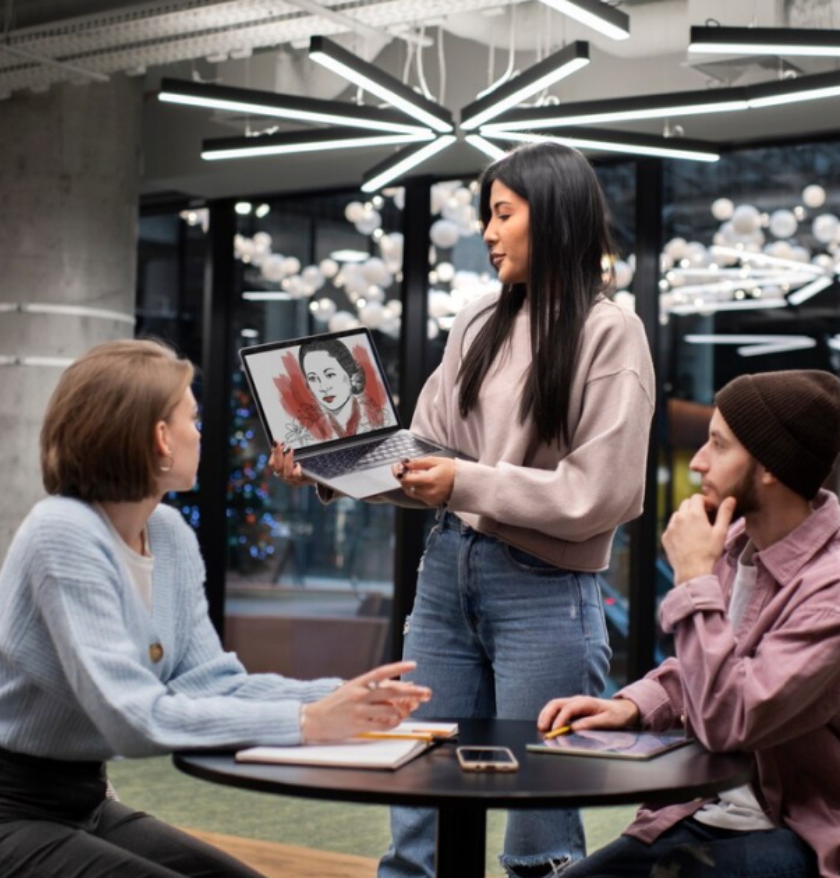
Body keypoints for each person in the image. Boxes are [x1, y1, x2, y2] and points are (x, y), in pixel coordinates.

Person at [272, 141, 656, 877]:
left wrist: (466, 483)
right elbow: (426, 457)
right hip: (446, 574)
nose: (487, 230)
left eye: (503, 214)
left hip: (543, 589)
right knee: (415, 785)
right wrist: (326, 468)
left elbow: (602, 493)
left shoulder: (612, 332)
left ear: (557, 218)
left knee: (537, 821)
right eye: (486, 215)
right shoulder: (477, 321)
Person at [0, 339, 430, 878]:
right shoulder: (62, 532)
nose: (199, 432)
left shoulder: (167, 532)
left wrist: (340, 697)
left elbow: (207, 680)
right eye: (191, 417)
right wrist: (306, 721)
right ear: (159, 438)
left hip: (83, 803)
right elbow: (130, 717)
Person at [540, 370, 840, 878]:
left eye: (718, 445)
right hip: (702, 813)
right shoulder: (738, 546)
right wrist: (630, 704)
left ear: (771, 466)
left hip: (801, 834)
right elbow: (712, 668)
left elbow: (730, 720)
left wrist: (691, 578)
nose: (697, 462)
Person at [277, 337, 389, 447]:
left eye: (330, 375)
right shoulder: (305, 432)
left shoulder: (379, 417)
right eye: (313, 378)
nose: (323, 387)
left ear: (352, 376)